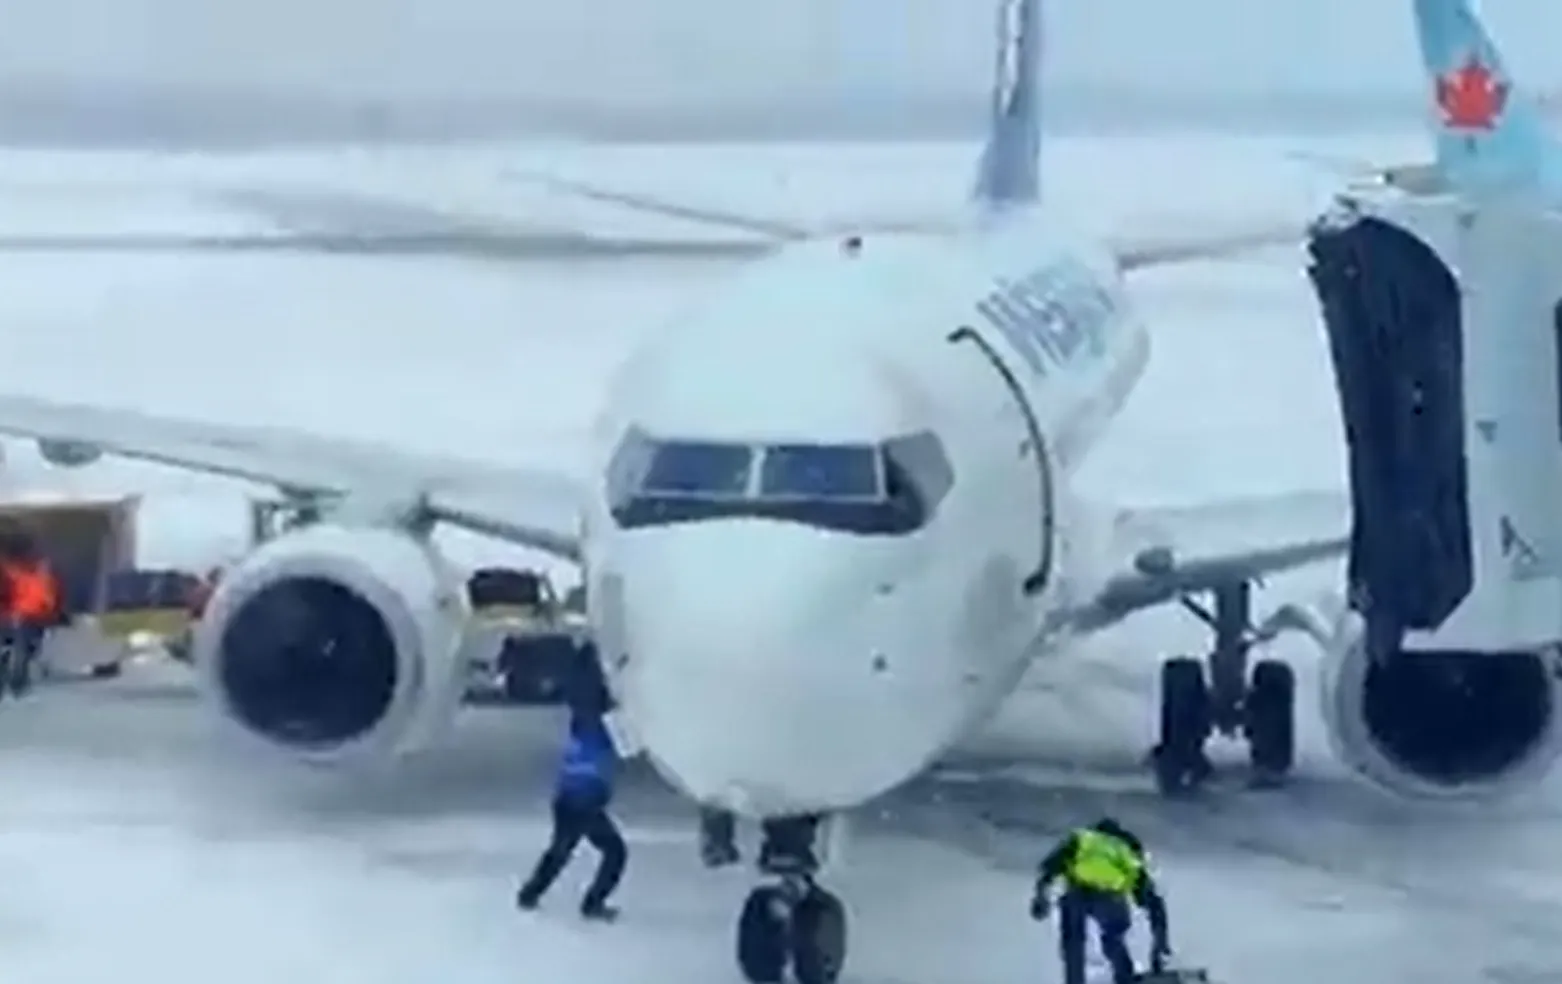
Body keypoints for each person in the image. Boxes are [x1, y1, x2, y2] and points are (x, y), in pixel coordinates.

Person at [516, 651, 627, 921]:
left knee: (561, 850)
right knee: (615, 852)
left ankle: (530, 894)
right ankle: (592, 903)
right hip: (584, 799)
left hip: (568, 794)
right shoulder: (603, 723)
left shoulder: (581, 718)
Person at [1031, 817, 1171, 984]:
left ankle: (1075, 980)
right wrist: (1160, 946)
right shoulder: (1125, 850)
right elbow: (1154, 904)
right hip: (1111, 898)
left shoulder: (1081, 839)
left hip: (1078, 894)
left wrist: (1041, 896)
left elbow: (1049, 867)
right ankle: (1124, 977)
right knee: (1113, 938)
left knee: (1073, 942)